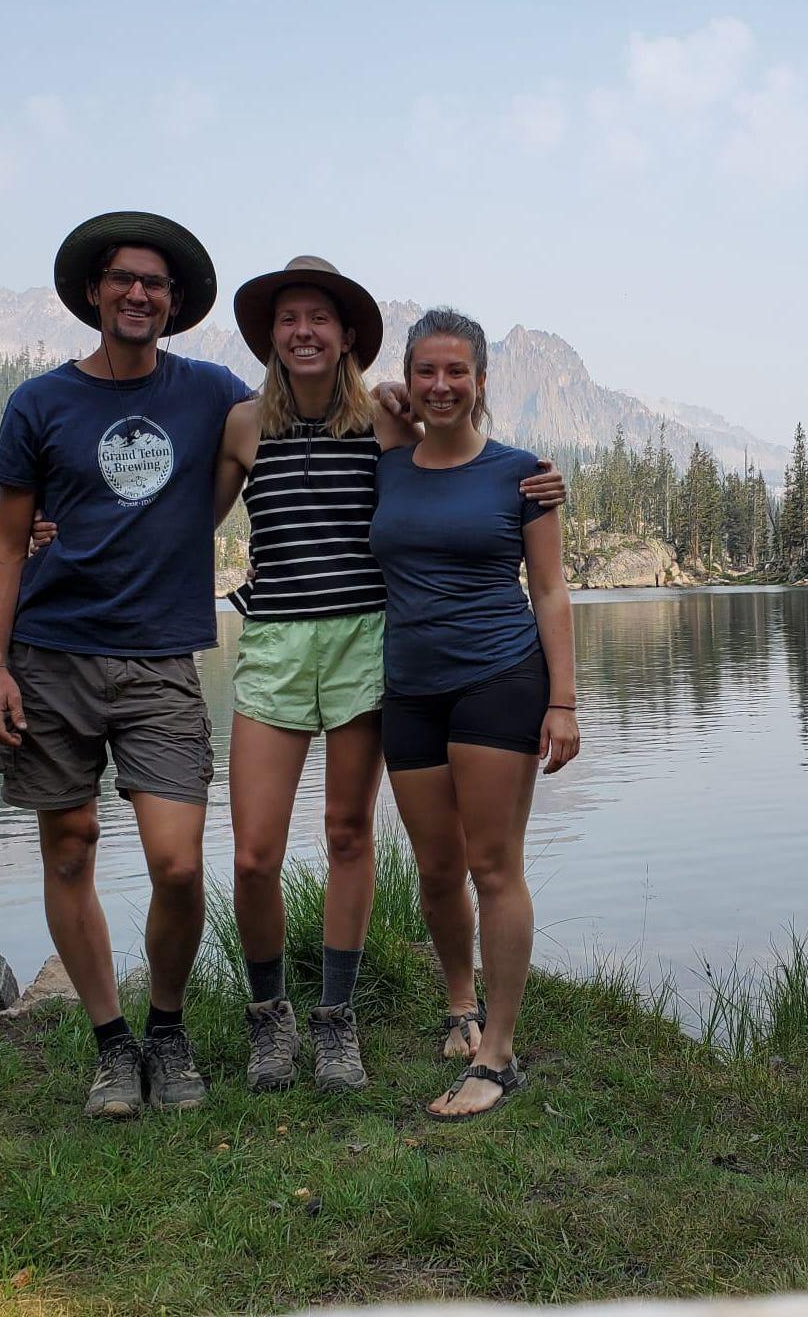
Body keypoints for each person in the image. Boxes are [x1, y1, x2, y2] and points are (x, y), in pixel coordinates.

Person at [217, 258, 566, 1093]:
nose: (304, 331)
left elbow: (454, 467)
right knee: (258, 854)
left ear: (346, 338)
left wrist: (538, 488)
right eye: (289, 317)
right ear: (271, 332)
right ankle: (278, 1021)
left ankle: (344, 1026)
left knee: (355, 834)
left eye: (321, 318)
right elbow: (183, 519)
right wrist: (65, 531)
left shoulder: (383, 422)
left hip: (378, 649)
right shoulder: (238, 424)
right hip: (291, 649)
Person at [0, 211, 253, 1120]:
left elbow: (303, 409)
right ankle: (110, 1044)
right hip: (49, 656)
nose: (140, 294)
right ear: (95, 293)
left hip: (161, 661)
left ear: (174, 305)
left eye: (157, 284)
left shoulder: (211, 389)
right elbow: (6, 547)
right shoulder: (40, 403)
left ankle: (166, 1031)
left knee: (177, 866)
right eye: (124, 280)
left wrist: (408, 419)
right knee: (70, 849)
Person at [370, 307, 580, 1119]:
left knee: (493, 866)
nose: (441, 385)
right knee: (434, 868)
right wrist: (390, 394)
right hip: (410, 686)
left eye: (457, 372)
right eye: (426, 371)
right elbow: (347, 393)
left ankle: (497, 1052)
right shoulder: (390, 460)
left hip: (499, 677)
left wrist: (563, 702)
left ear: (483, 382)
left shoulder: (523, 474)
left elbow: (552, 592)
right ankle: (460, 1005)